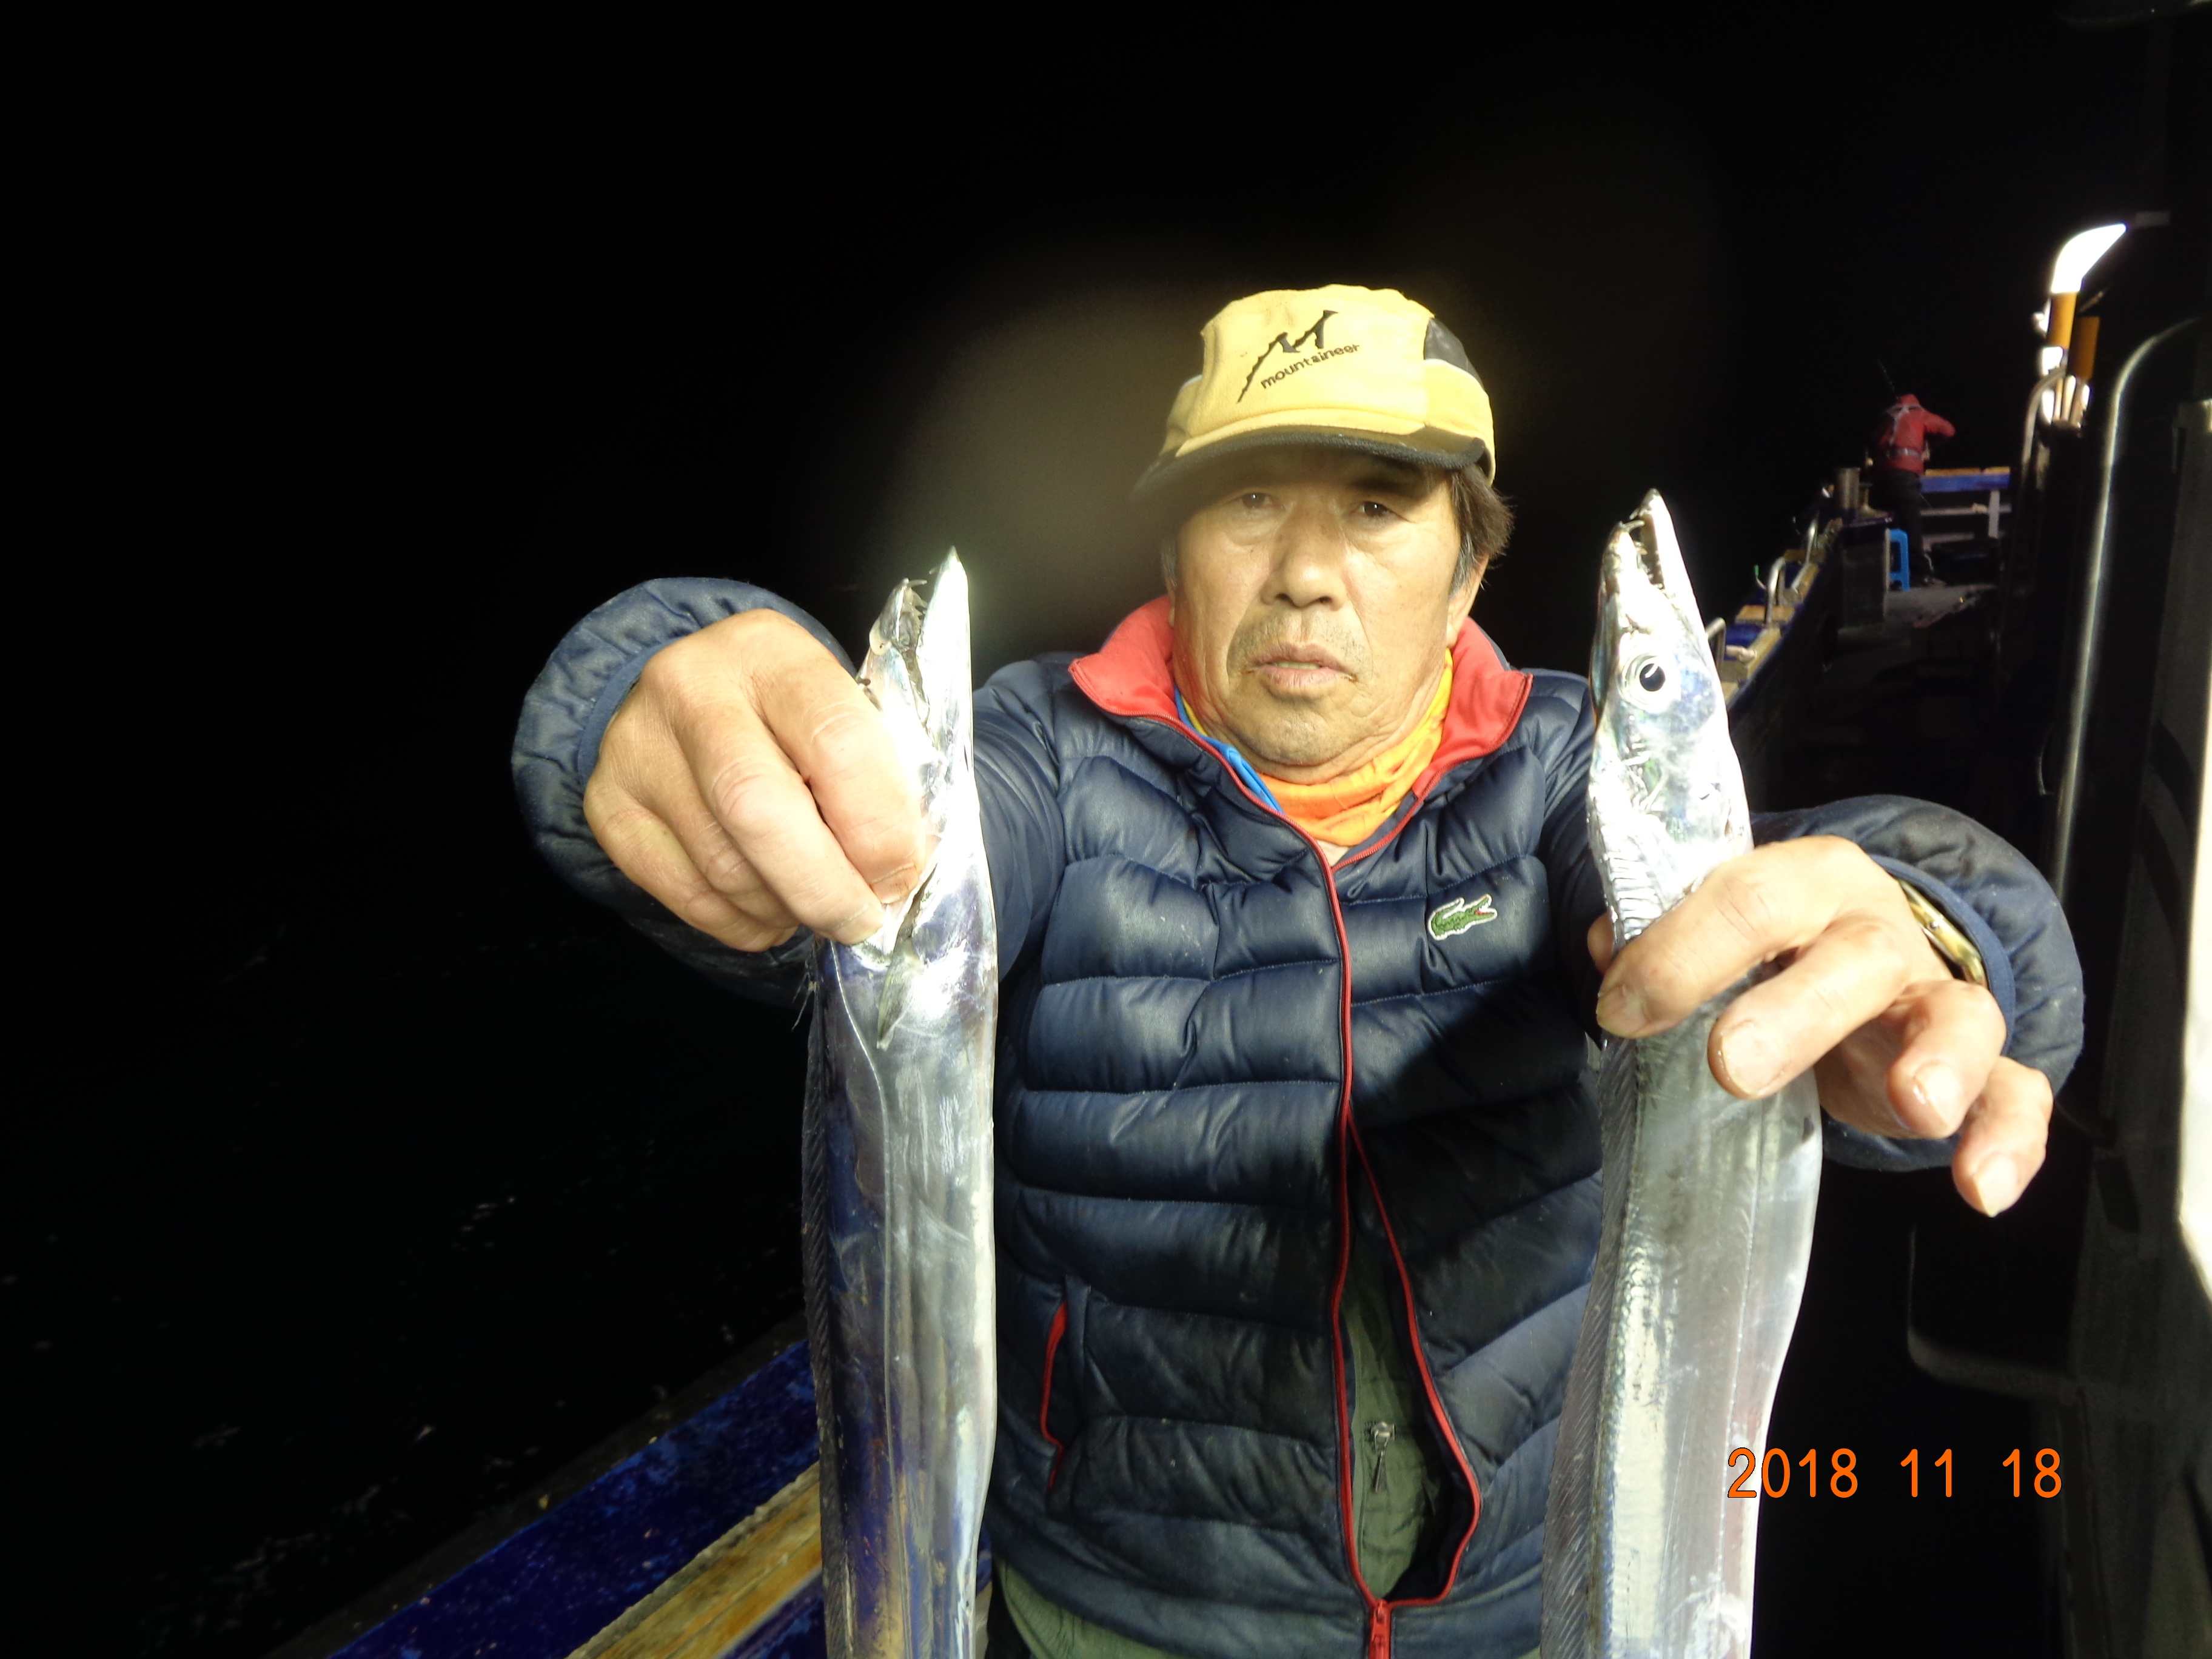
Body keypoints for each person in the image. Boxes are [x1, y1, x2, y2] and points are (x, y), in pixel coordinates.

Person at [513, 286, 2079, 1658]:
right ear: (1175, 551)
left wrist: (1940, 931)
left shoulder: (1567, 771)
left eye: (1382, 505)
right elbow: (869, 885)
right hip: (1123, 1615)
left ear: (1468, 573)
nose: (1308, 571)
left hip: (1535, 1603)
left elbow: (1770, 881)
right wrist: (649, 685)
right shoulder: (1038, 763)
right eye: (1250, 499)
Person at [1867, 392, 1957, 585]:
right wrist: (1930, 445)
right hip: (1904, 476)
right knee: (1911, 526)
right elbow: (1949, 431)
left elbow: (1874, 441)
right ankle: (1921, 575)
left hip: (1879, 477)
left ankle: (1879, 573)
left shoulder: (1886, 416)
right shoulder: (1919, 413)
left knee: (1883, 526)